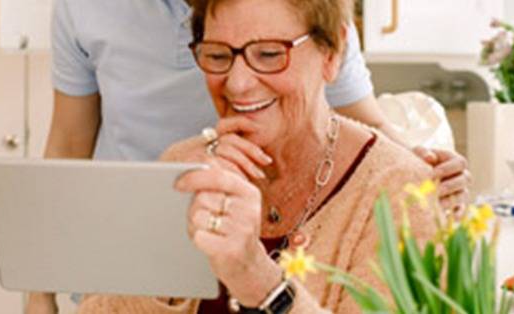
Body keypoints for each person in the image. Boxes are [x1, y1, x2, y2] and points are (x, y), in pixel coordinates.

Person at [28, 0, 470, 312]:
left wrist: (423, 173)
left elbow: (374, 131)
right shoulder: (178, 166)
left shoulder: (395, 197)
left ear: (331, 53)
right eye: (217, 56)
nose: (238, 84)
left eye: (269, 55)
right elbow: (67, 142)